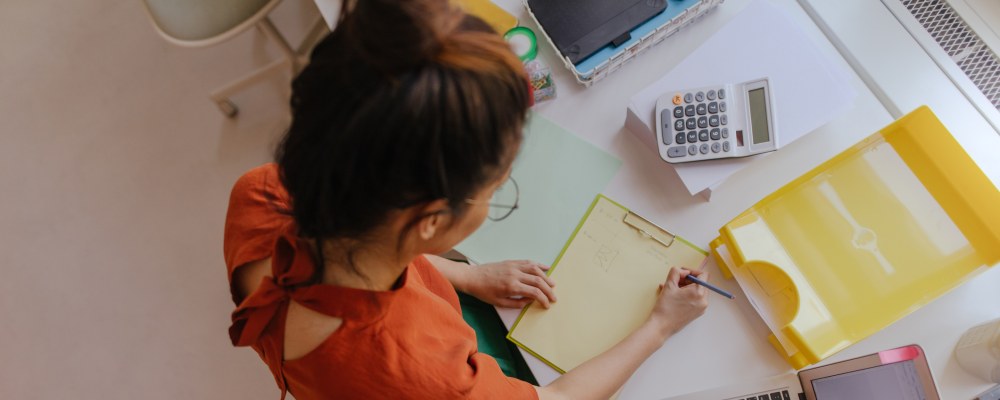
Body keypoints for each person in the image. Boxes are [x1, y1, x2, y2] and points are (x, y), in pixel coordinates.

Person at [222, 0, 710, 398]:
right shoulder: (426, 375)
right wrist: (660, 326)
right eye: (497, 189)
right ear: (431, 220)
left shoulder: (264, 192)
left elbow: (368, 250)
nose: (499, 191)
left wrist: (469, 277)